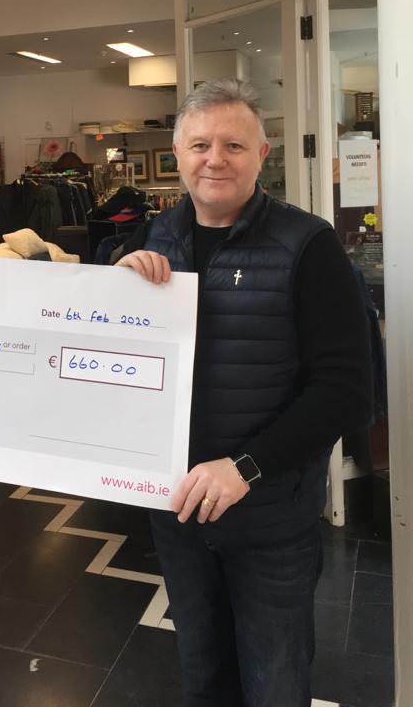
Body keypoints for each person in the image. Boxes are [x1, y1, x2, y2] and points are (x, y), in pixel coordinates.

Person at [113, 79, 372, 707]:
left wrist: (245, 468)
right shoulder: (156, 237)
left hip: (269, 520)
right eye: (200, 144)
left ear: (262, 154)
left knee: (275, 683)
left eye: (233, 145)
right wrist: (116, 294)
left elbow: (345, 392)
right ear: (177, 154)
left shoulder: (308, 245)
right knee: (205, 678)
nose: (215, 159)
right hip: (179, 513)